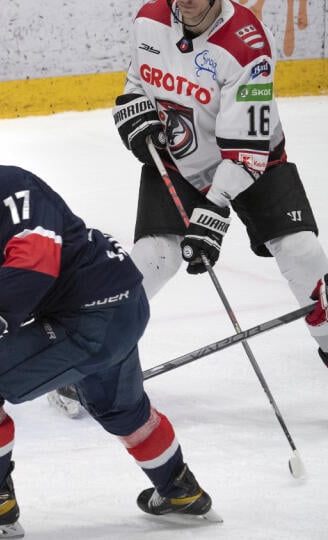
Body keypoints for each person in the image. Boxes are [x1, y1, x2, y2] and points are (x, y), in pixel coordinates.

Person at [0, 117, 219, 537]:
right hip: (110, 307)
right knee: (120, 408)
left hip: (93, 312)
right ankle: (180, 492)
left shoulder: (11, 190)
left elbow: (34, 260)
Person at [112, 0, 328, 363]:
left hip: (254, 162)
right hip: (178, 158)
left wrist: (214, 209)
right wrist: (132, 111)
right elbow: (136, 82)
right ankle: (88, 352)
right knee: (154, 257)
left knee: (301, 251)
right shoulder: (149, 20)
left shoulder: (249, 46)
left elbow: (246, 152)